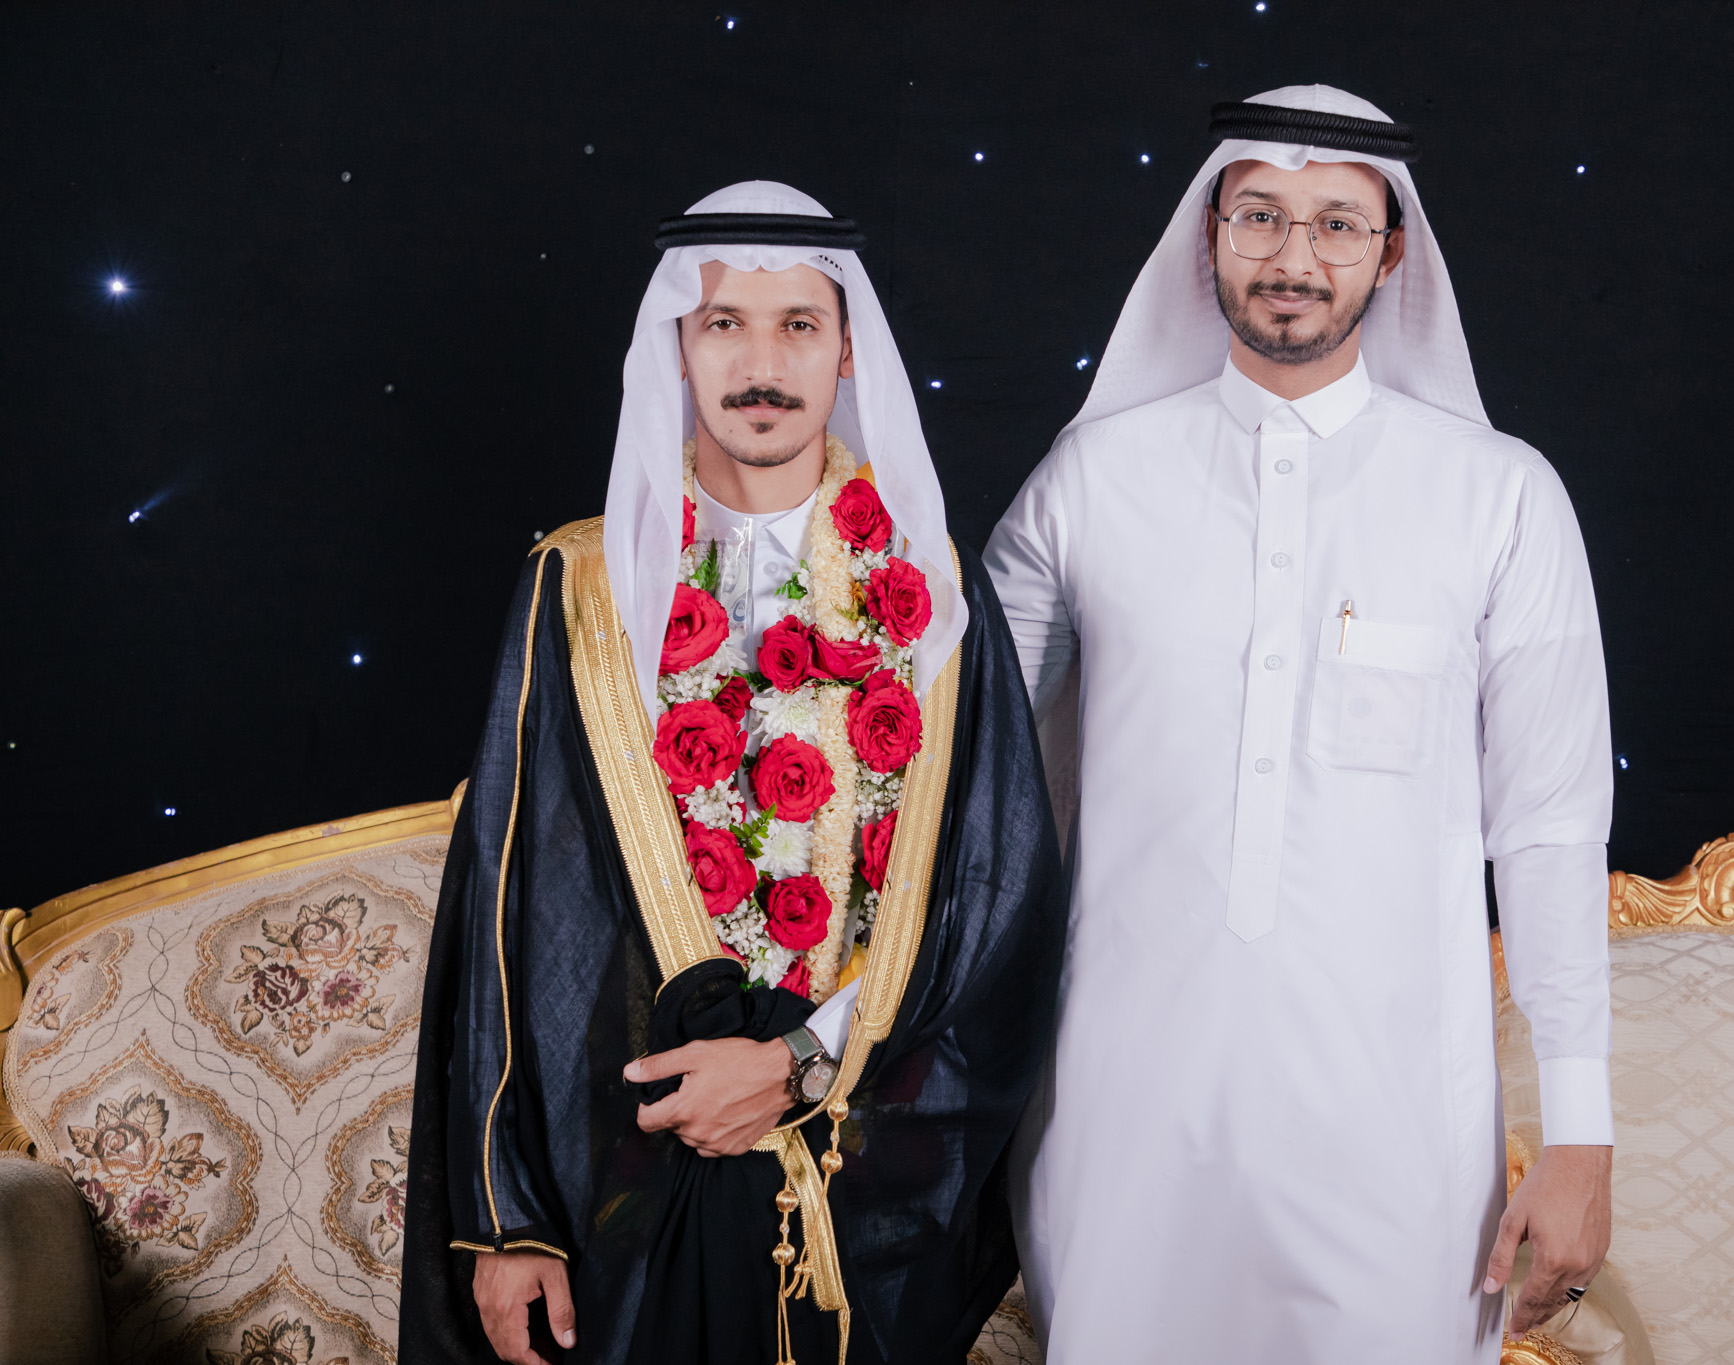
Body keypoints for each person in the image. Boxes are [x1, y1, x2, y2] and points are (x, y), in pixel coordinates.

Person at [985, 86, 1615, 1361]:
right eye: (1259, 216)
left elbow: (1548, 829)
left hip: (1395, 1141)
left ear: (1391, 254)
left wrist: (1579, 1138)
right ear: (1207, 237)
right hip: (1119, 1120)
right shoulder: (1089, 482)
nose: (1293, 256)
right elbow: (954, 766)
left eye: (1336, 223)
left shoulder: (1498, 498)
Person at [399, 181, 1065, 1365]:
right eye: (724, 325)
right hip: (623, 1166)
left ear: (846, 349)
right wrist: (511, 1221)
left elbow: (994, 902)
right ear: (677, 346)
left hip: (856, 1165)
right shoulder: (582, 587)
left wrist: (798, 1063)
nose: (761, 365)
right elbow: (509, 912)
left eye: (797, 325)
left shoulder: (932, 595)